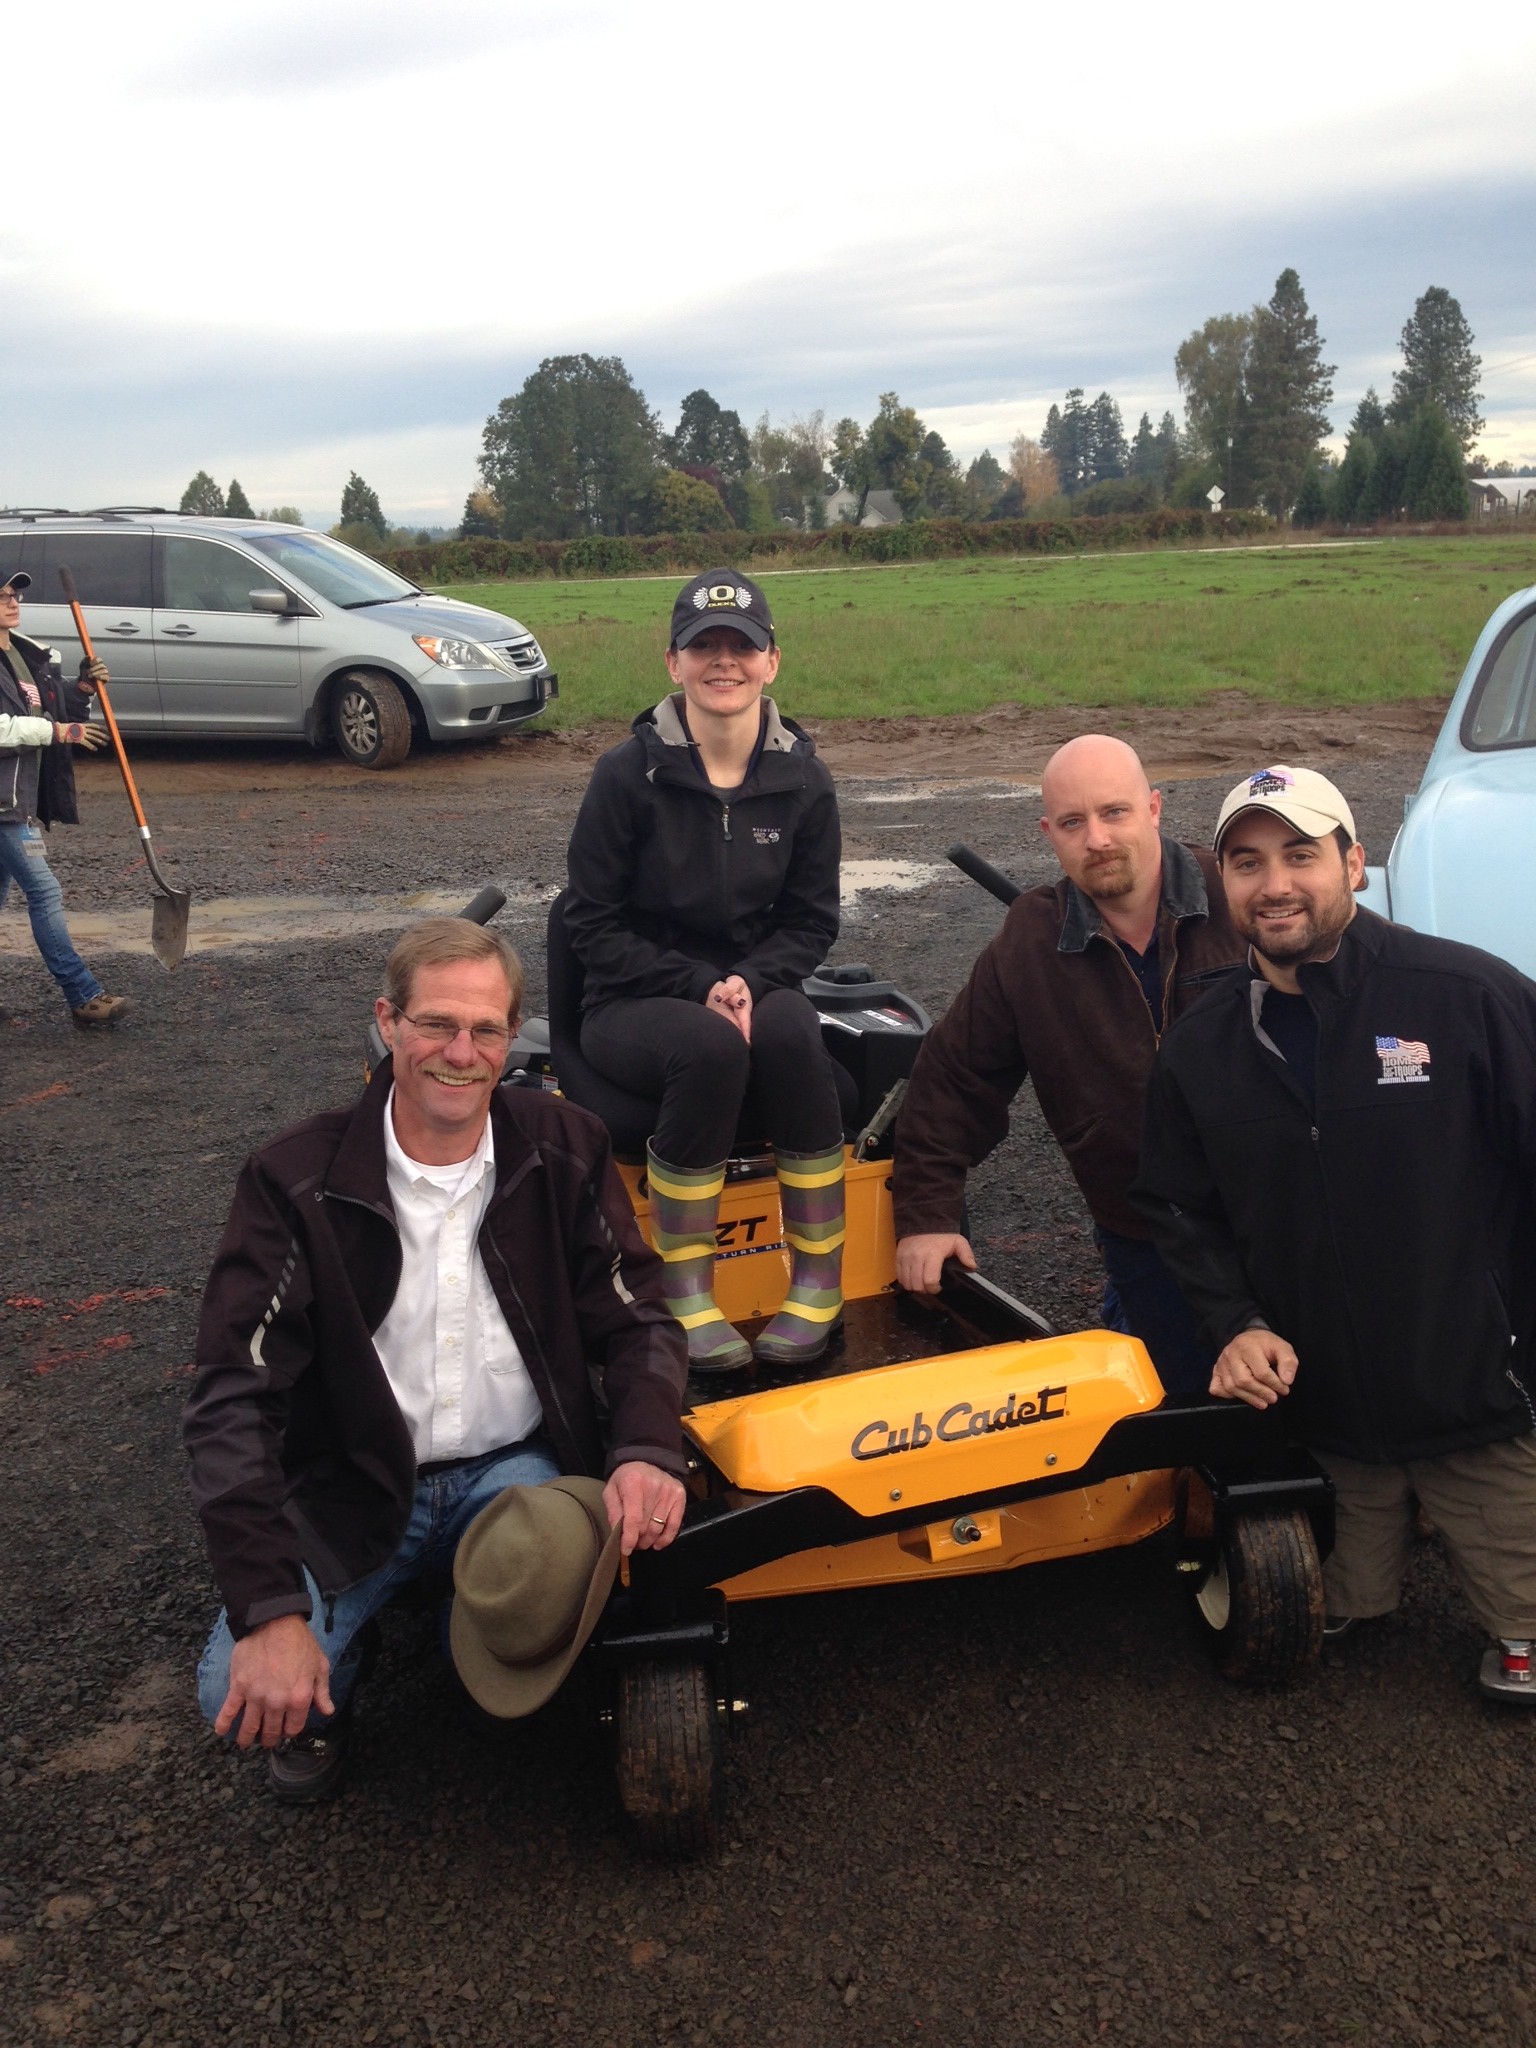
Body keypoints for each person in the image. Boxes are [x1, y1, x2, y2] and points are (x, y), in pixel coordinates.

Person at [184, 917, 689, 1802]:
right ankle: (357, 1636)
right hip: (356, 1481)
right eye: (436, 1025)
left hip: (515, 1470)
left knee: (558, 1610)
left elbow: (639, 1314)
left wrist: (647, 1447)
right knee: (232, 1688)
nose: (461, 1052)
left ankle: (473, 1615)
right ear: (388, 1022)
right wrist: (268, 1610)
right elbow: (232, 1395)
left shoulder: (565, 1146)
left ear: (510, 1039)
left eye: (486, 1029)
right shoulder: (293, 1178)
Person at [1134, 765, 1536, 1702]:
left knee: (1527, 1638)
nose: (1275, 884)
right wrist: (1233, 1323)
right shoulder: (1199, 1047)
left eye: (1301, 855)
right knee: (1325, 1609)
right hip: (1323, 1409)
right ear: (1222, 884)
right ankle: (1364, 1578)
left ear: (1356, 864)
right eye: (1247, 862)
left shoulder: (1467, 996)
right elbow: (1176, 1204)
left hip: (1475, 1392)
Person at [892, 733, 1242, 1392]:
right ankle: (1135, 1314)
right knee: (1191, 1420)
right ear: (1048, 832)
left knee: (1312, 1407)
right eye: (1074, 823)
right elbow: (954, 1077)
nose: (1098, 839)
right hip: (1144, 1227)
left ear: (1155, 809)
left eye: (1115, 813)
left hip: (1272, 1211)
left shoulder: (1236, 896)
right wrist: (927, 1217)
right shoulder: (1031, 940)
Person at [564, 568, 844, 1372]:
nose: (724, 663)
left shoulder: (804, 780)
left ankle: (816, 1277)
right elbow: (589, 921)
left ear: (771, 663)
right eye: (704, 647)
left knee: (796, 1027)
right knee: (711, 1047)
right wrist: (700, 987)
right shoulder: (627, 775)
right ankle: (684, 1289)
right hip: (632, 1001)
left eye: (741, 648)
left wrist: (752, 982)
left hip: (754, 991)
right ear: (673, 663)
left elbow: (811, 919)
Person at [0, 568, 131, 1027]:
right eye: (2, 597)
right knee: (44, 890)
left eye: (14, 595)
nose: (12, 602)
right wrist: (59, 731)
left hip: (19, 797)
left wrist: (80, 690)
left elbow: (55, 714)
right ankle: (82, 995)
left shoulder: (23, 655)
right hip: (3, 805)